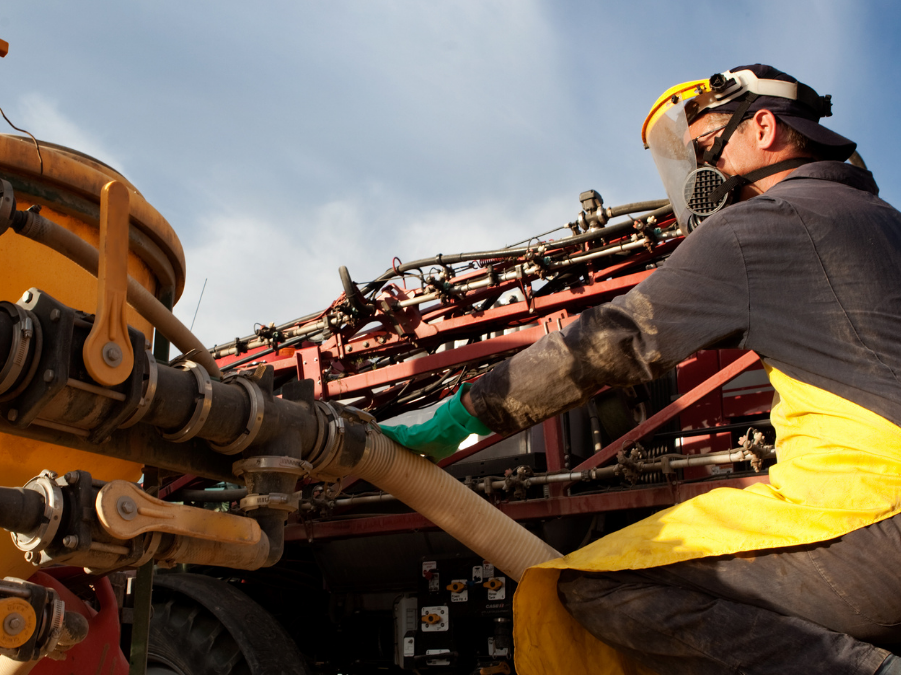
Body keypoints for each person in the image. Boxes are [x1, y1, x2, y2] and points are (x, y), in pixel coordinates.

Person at [380, 65, 901, 675]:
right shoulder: (882, 222)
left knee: (590, 584)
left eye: (706, 147)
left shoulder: (767, 222)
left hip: (874, 519)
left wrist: (462, 415)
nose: (700, 172)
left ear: (763, 128)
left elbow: (613, 339)